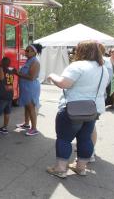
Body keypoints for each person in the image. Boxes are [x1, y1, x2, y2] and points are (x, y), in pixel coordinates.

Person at [46, 41, 109, 178]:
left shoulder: (77, 65)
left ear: (82, 50)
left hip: (72, 109)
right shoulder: (103, 68)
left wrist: (52, 75)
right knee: (85, 138)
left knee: (64, 139)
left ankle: (60, 168)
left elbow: (64, 83)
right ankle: (81, 167)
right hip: (93, 110)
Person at [14, 43, 43, 136]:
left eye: (27, 51)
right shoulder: (29, 60)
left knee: (31, 108)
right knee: (27, 106)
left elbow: (31, 77)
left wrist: (18, 73)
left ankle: (34, 128)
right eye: (25, 50)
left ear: (34, 52)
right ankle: (26, 124)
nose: (25, 52)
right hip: (26, 87)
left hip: (31, 88)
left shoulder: (35, 62)